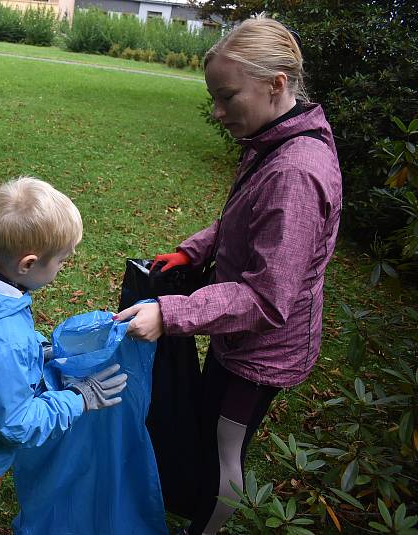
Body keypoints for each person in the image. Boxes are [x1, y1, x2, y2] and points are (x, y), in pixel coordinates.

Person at [114, 17, 342, 535]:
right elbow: (243, 219)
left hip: (260, 353)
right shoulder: (273, 142)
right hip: (233, 339)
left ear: (276, 84)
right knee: (208, 429)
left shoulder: (295, 171)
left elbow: (268, 298)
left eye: (228, 96)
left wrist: (171, 313)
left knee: (226, 452)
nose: (217, 112)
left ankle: (207, 528)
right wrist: (192, 252)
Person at [0, 177, 128, 535]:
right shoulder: (2, 341)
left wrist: (39, 350)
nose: (63, 267)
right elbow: (17, 423)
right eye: (61, 261)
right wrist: (79, 398)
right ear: (27, 264)